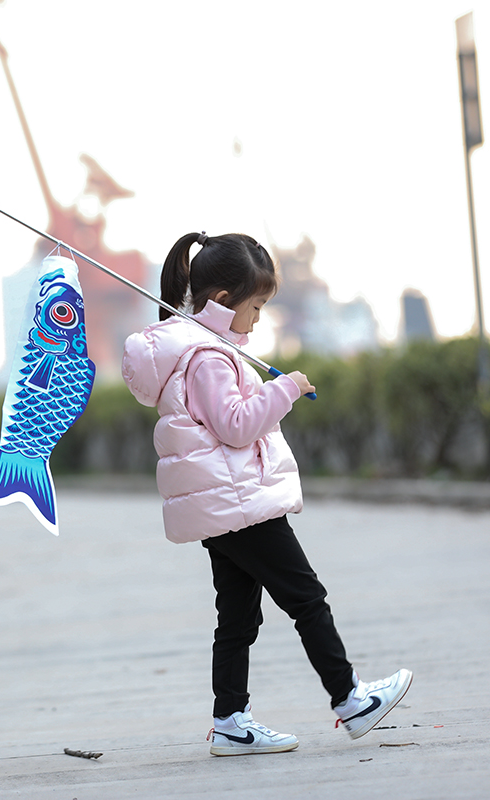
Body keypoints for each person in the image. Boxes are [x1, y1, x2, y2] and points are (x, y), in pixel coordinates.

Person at [121, 231, 412, 756]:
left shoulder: (205, 348)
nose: (258, 320)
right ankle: (350, 700)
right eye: (255, 308)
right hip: (240, 504)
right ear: (224, 302)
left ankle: (231, 720)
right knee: (306, 598)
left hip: (224, 505)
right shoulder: (207, 358)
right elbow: (235, 426)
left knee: (238, 616)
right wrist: (286, 388)